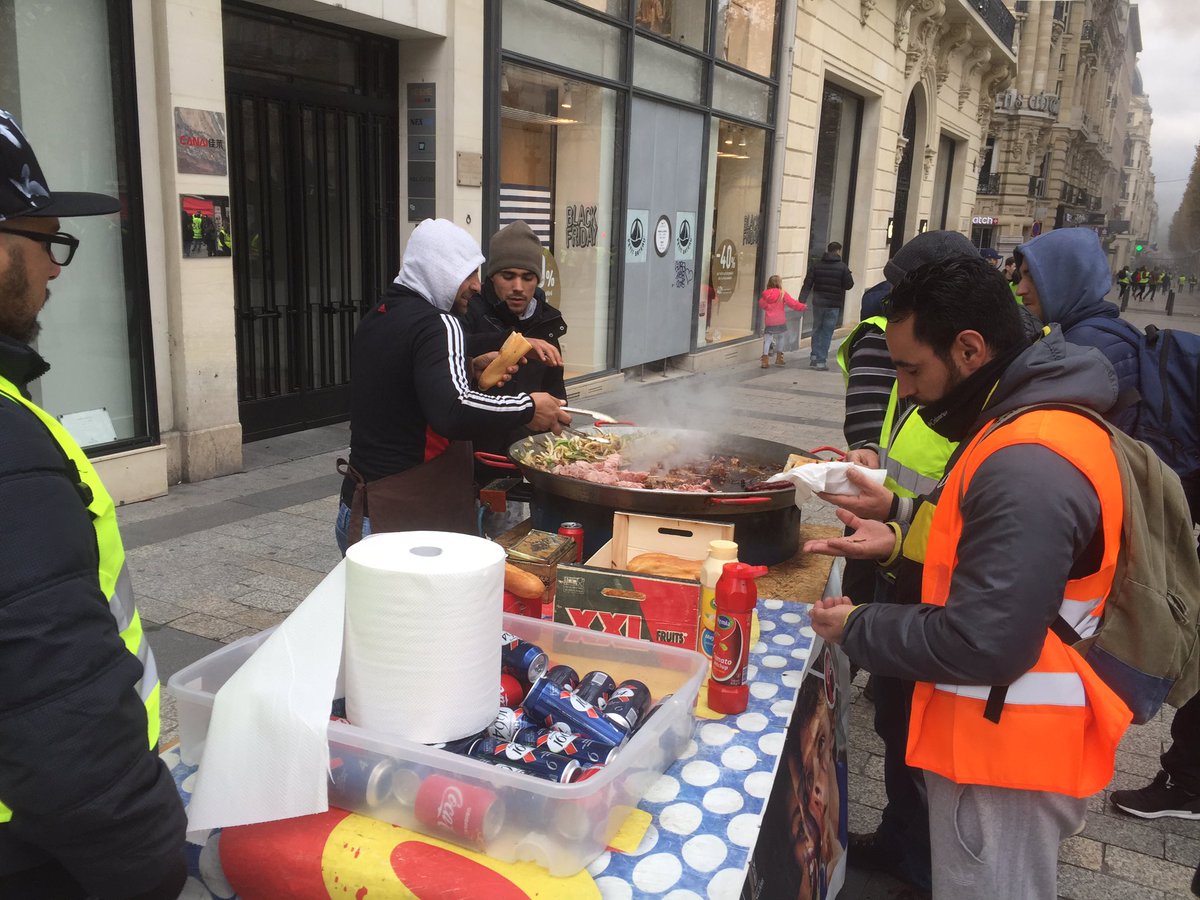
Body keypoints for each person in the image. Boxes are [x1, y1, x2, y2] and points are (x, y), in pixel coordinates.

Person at [804, 254, 1135, 899]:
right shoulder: (1021, 419)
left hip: (1009, 749)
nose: (906, 387)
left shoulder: (1028, 460)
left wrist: (861, 625)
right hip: (999, 731)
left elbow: (988, 641)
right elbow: (983, 553)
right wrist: (900, 526)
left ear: (970, 348)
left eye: (911, 368)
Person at [0, 110, 187, 898]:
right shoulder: (7, 442)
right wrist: (150, 853)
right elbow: (52, 696)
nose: (56, 267)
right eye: (44, 238)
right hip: (41, 846)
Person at [335, 218, 569, 553]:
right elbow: (453, 410)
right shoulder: (439, 323)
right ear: (439, 269)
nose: (476, 286)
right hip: (403, 519)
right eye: (469, 274)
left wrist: (469, 369)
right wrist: (529, 407)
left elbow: (403, 391)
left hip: (359, 512)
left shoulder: (379, 316)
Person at [461, 220, 568, 534]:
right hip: (469, 466)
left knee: (506, 554)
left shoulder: (547, 324)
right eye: (508, 276)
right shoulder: (468, 315)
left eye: (527, 277)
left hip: (519, 467)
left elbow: (555, 394)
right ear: (492, 276)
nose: (518, 287)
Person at [799, 242, 854, 371]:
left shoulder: (816, 266)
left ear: (828, 250)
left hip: (818, 304)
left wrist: (801, 300)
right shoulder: (842, 267)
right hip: (833, 305)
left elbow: (807, 284)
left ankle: (814, 356)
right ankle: (821, 361)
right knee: (827, 332)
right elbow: (849, 285)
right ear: (838, 251)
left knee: (816, 329)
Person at [758, 274, 805, 368]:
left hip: (769, 320)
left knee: (767, 340)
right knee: (781, 337)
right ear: (779, 283)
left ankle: (765, 360)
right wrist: (803, 307)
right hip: (780, 320)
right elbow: (792, 303)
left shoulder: (765, 294)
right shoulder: (782, 293)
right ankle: (779, 358)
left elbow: (761, 304)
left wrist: (768, 307)